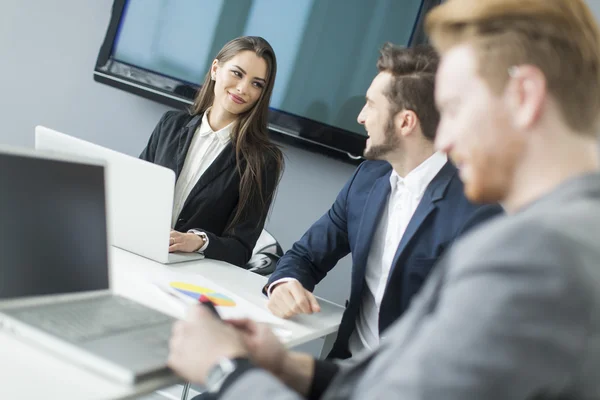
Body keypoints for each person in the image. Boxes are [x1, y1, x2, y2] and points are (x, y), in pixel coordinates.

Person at [166, 0, 600, 398]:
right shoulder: (567, 233)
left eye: (455, 109)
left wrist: (226, 369)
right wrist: (288, 366)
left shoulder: (537, 254)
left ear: (524, 96)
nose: (444, 137)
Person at [264, 43, 502, 359]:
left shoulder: (477, 210)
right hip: (345, 370)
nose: (361, 117)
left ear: (405, 122)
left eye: (370, 105)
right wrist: (284, 283)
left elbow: (470, 339)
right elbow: (307, 254)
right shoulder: (367, 180)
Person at [139, 36, 283, 267]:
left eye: (257, 84)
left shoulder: (263, 160)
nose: (243, 89)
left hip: (192, 273)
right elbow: (133, 192)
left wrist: (199, 241)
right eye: (237, 73)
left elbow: (241, 248)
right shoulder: (170, 125)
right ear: (216, 69)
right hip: (139, 250)